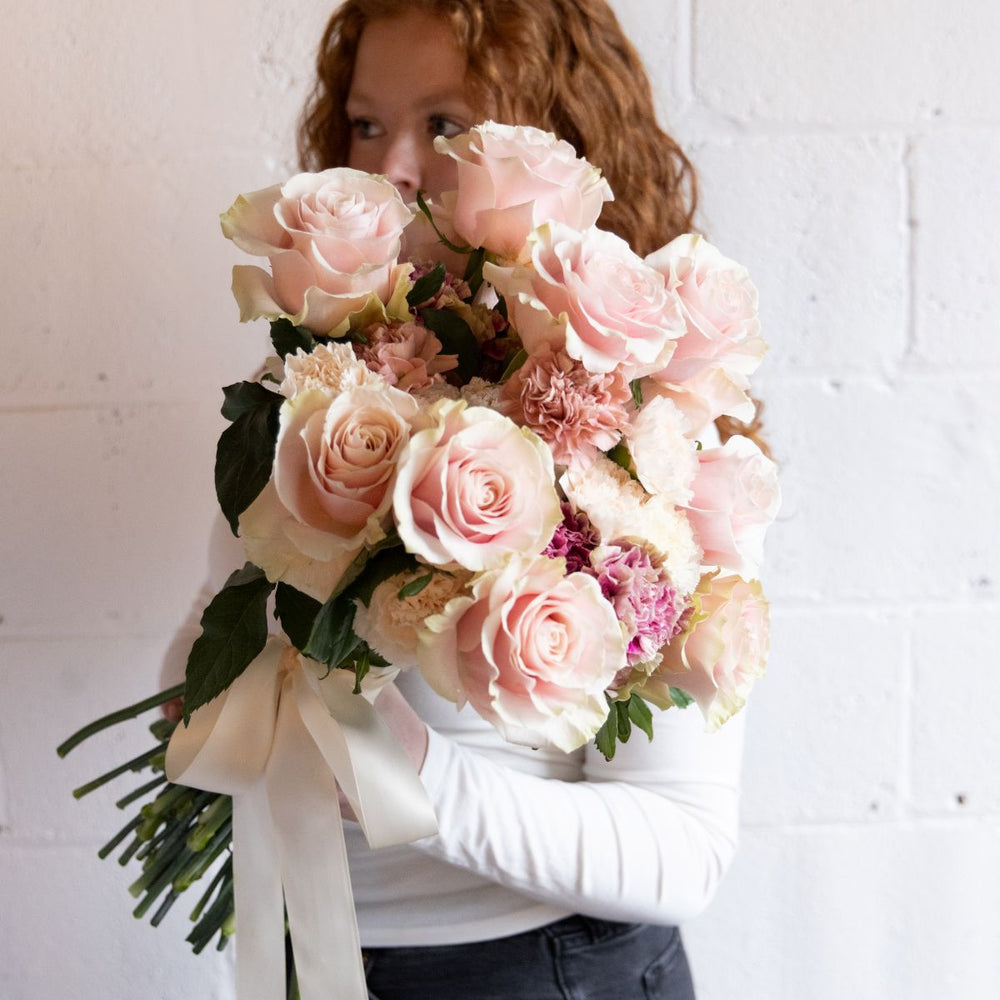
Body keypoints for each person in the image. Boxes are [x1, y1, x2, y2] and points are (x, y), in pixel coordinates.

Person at [283, 2, 767, 998]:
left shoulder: (656, 427)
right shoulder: (318, 388)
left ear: (561, 138)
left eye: (446, 125)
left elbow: (684, 848)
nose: (393, 170)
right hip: (318, 956)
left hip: (537, 974)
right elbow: (236, 643)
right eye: (367, 125)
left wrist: (409, 776)